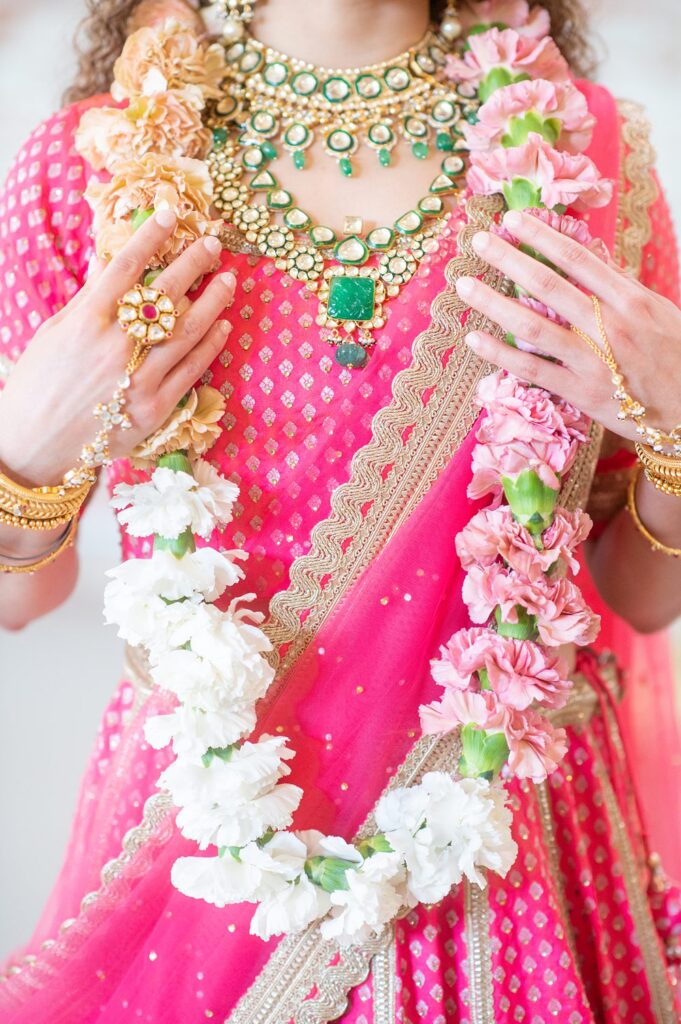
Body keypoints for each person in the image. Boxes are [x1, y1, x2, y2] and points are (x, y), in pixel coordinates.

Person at [0, 0, 680, 1020]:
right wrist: (26, 451)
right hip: (213, 848)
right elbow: (20, 597)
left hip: (507, 842)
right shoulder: (91, 164)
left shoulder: (583, 154)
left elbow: (638, 588)